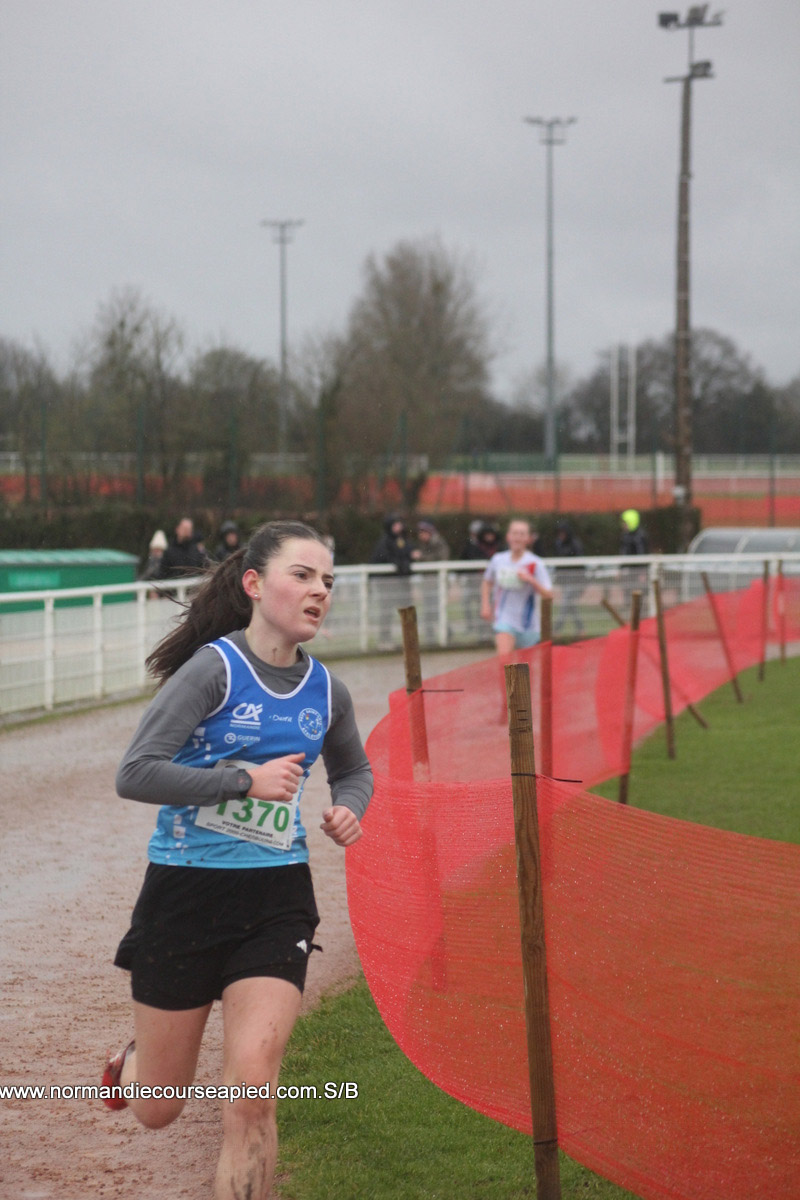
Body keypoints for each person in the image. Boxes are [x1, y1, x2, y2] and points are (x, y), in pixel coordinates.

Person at [102, 520, 373, 1200]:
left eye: (328, 580)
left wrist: (349, 808)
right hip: (185, 895)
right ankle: (136, 1063)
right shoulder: (213, 670)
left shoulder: (326, 691)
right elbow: (136, 773)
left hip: (276, 899)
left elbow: (354, 771)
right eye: (303, 576)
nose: (320, 591)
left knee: (252, 1091)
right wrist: (241, 780)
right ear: (254, 584)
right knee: (158, 1107)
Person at [480, 517, 554, 655]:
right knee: (505, 661)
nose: (517, 537)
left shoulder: (535, 563)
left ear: (528, 539)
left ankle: (517, 669)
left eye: (522, 534)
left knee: (523, 666)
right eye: (514, 533)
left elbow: (549, 595)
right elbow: (487, 581)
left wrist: (531, 580)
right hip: (504, 619)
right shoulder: (498, 560)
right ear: (508, 536)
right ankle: (507, 670)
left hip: (528, 624)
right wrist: (485, 605)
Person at [369, 514, 413, 648]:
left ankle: (409, 639)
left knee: (407, 611)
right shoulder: (385, 542)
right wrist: (401, 564)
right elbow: (384, 558)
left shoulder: (403, 540)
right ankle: (384, 640)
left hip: (402, 584)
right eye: (396, 524)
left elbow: (408, 554)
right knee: (386, 613)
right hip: (387, 585)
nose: (399, 526)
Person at [411, 519, 450, 643]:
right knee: (428, 611)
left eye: (423, 532)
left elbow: (442, 558)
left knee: (437, 610)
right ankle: (431, 636)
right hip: (428, 584)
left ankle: (446, 633)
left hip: (437, 584)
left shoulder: (438, 542)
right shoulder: (424, 544)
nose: (421, 535)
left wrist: (421, 557)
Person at [552, 519, 585, 636]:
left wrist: (581, 581)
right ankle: (581, 628)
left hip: (574, 580)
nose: (561, 535)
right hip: (564, 579)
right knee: (569, 604)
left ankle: (557, 628)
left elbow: (580, 564)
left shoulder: (575, 544)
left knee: (565, 603)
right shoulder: (559, 543)